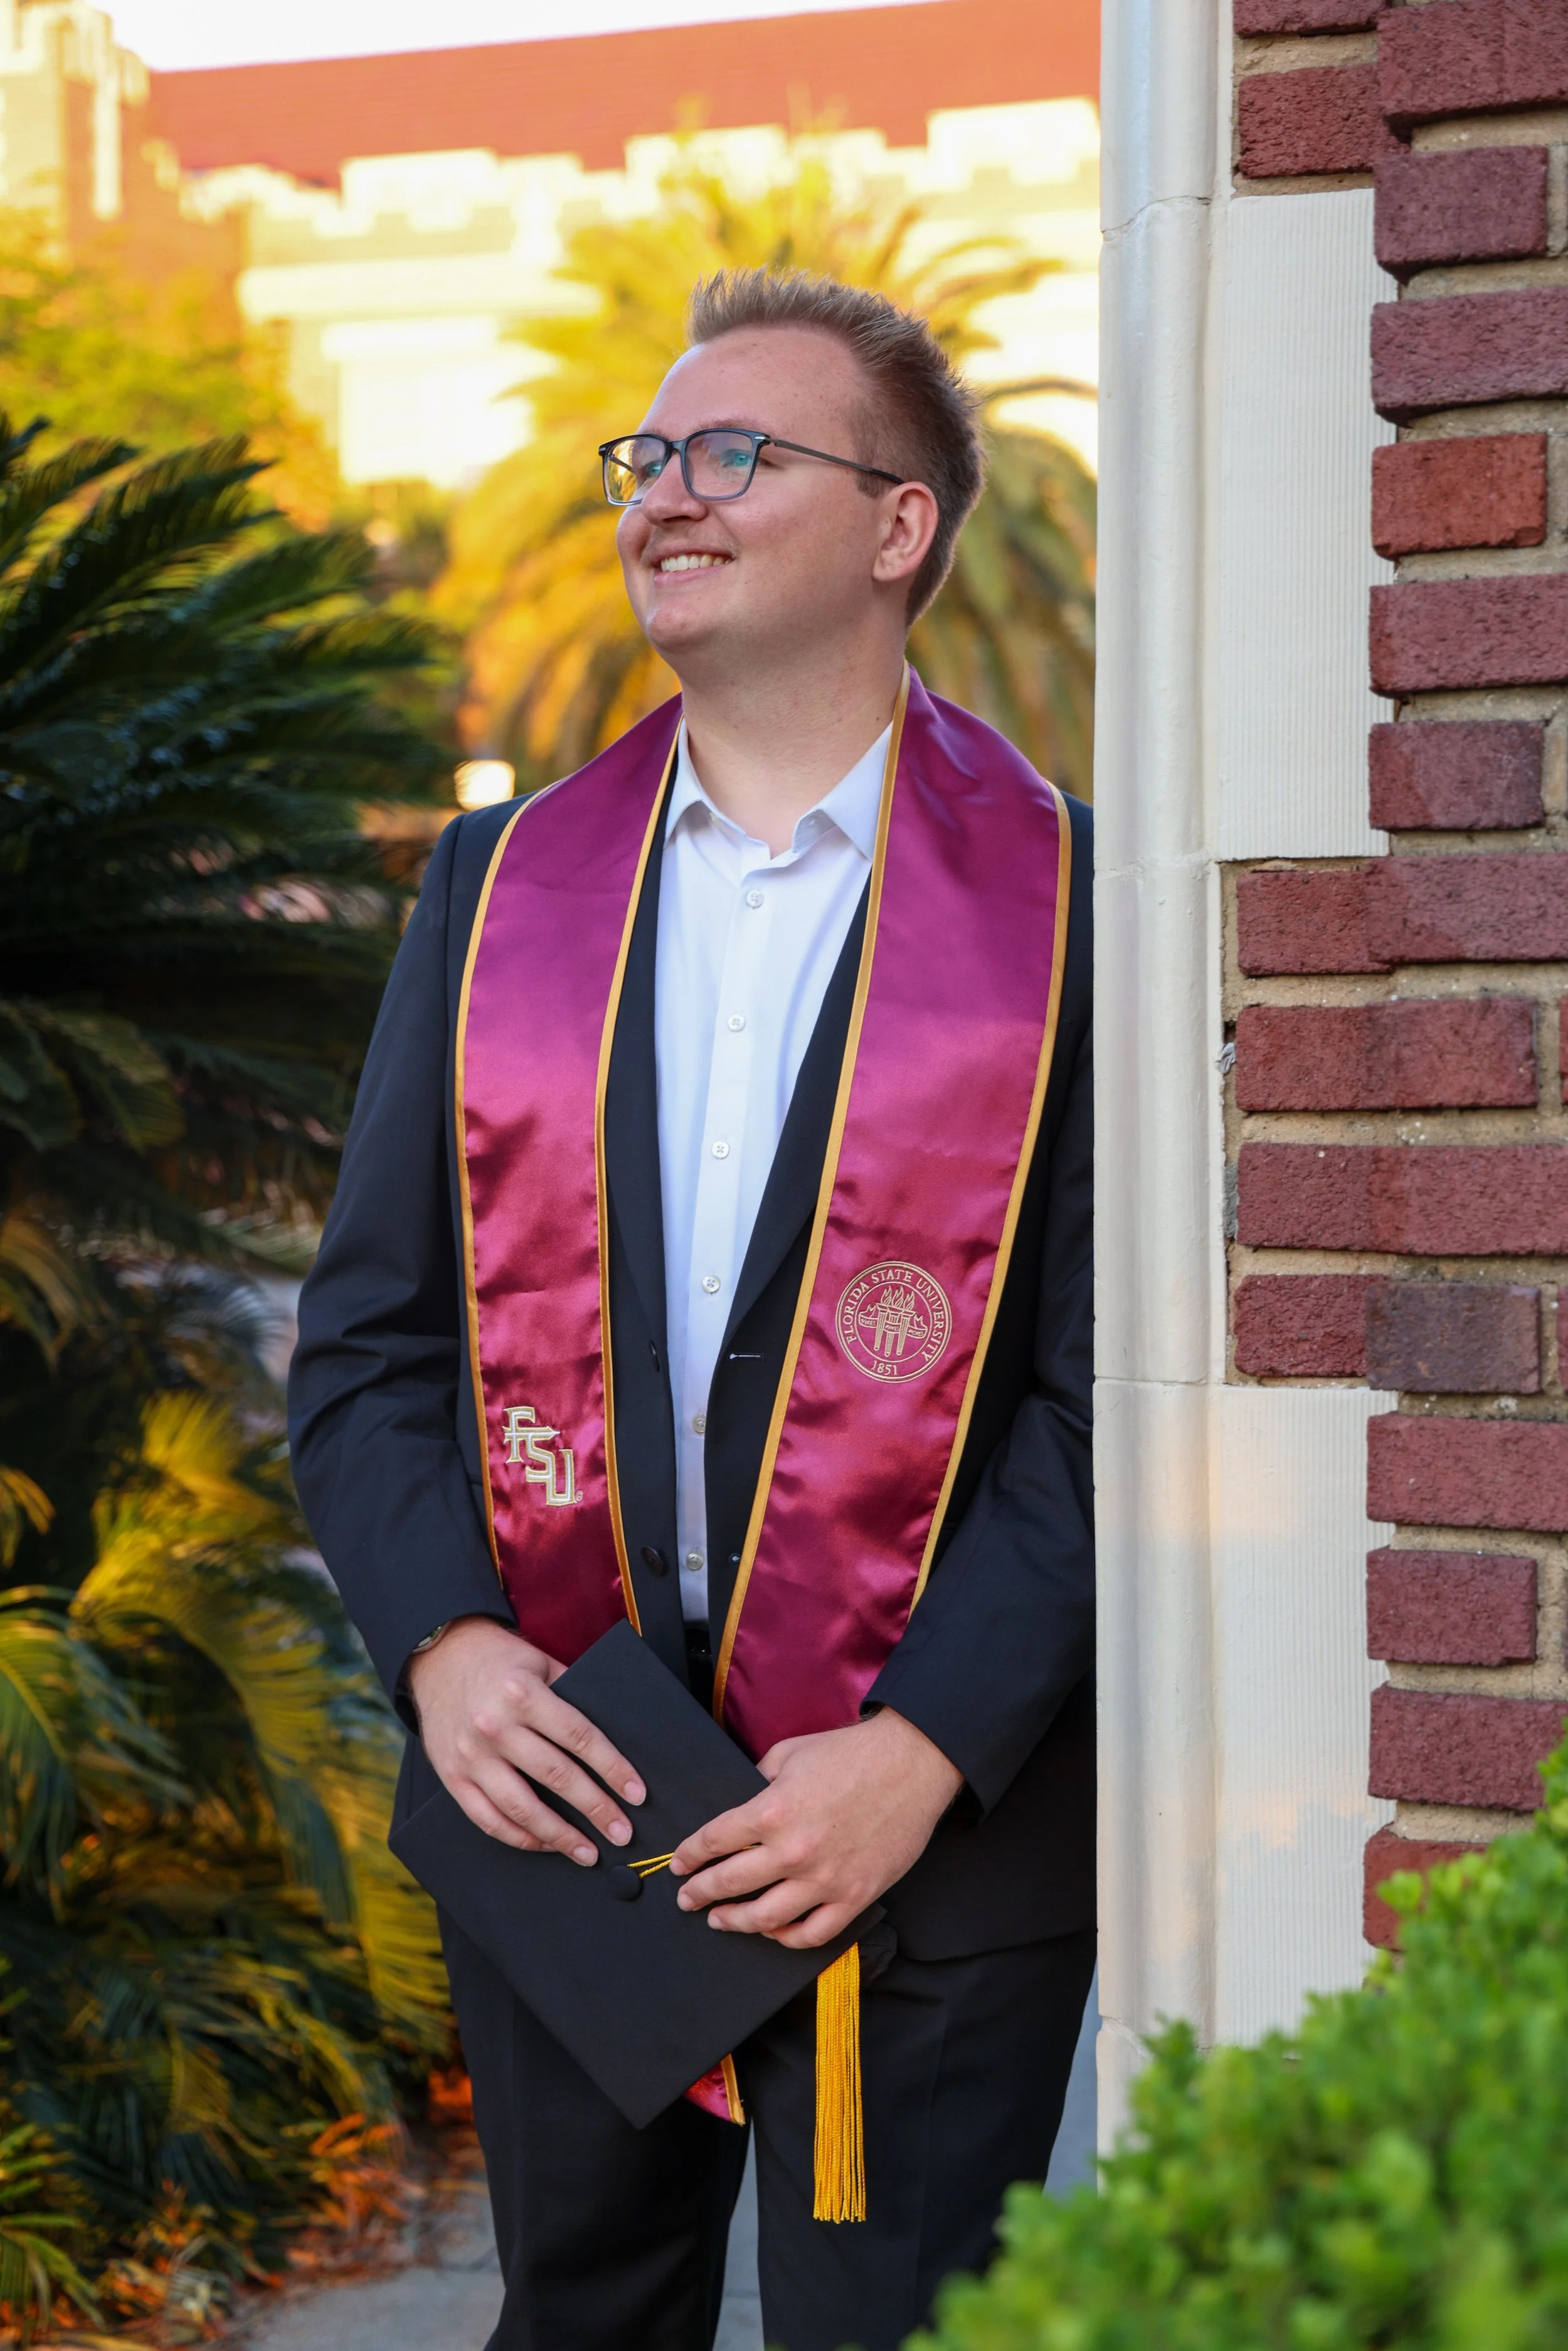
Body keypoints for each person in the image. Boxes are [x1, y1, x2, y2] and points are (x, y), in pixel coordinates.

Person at [288, 267, 1094, 2351]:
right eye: (649, 453)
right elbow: (370, 1345)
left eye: (739, 449)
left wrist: (920, 1753)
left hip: (918, 1836)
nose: (667, 490)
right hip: (564, 1788)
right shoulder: (500, 894)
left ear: (900, 526)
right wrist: (451, 1651)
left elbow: (1111, 1393)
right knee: (579, 2321)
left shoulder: (1077, 907)